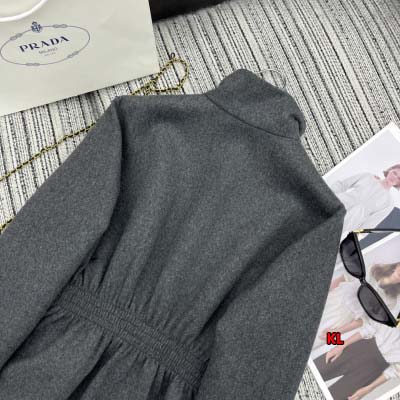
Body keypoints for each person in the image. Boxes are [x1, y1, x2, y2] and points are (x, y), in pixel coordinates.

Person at [314, 261, 400, 348]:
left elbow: (364, 320)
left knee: (316, 338)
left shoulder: (390, 300)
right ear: (397, 265)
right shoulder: (372, 269)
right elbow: (344, 278)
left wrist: (337, 331)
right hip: (331, 299)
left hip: (339, 320)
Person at [314, 319, 400, 400]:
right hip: (359, 347)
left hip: (372, 370)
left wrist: (369, 388)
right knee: (316, 370)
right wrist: (341, 346)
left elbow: (395, 370)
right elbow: (369, 328)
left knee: (336, 396)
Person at [329, 163, 400, 239]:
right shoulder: (368, 177)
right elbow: (342, 184)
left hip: (347, 223)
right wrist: (329, 197)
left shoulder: (389, 203)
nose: (394, 178)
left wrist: (354, 238)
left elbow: (371, 223)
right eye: (394, 173)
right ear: (390, 170)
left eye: (399, 178)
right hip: (334, 206)